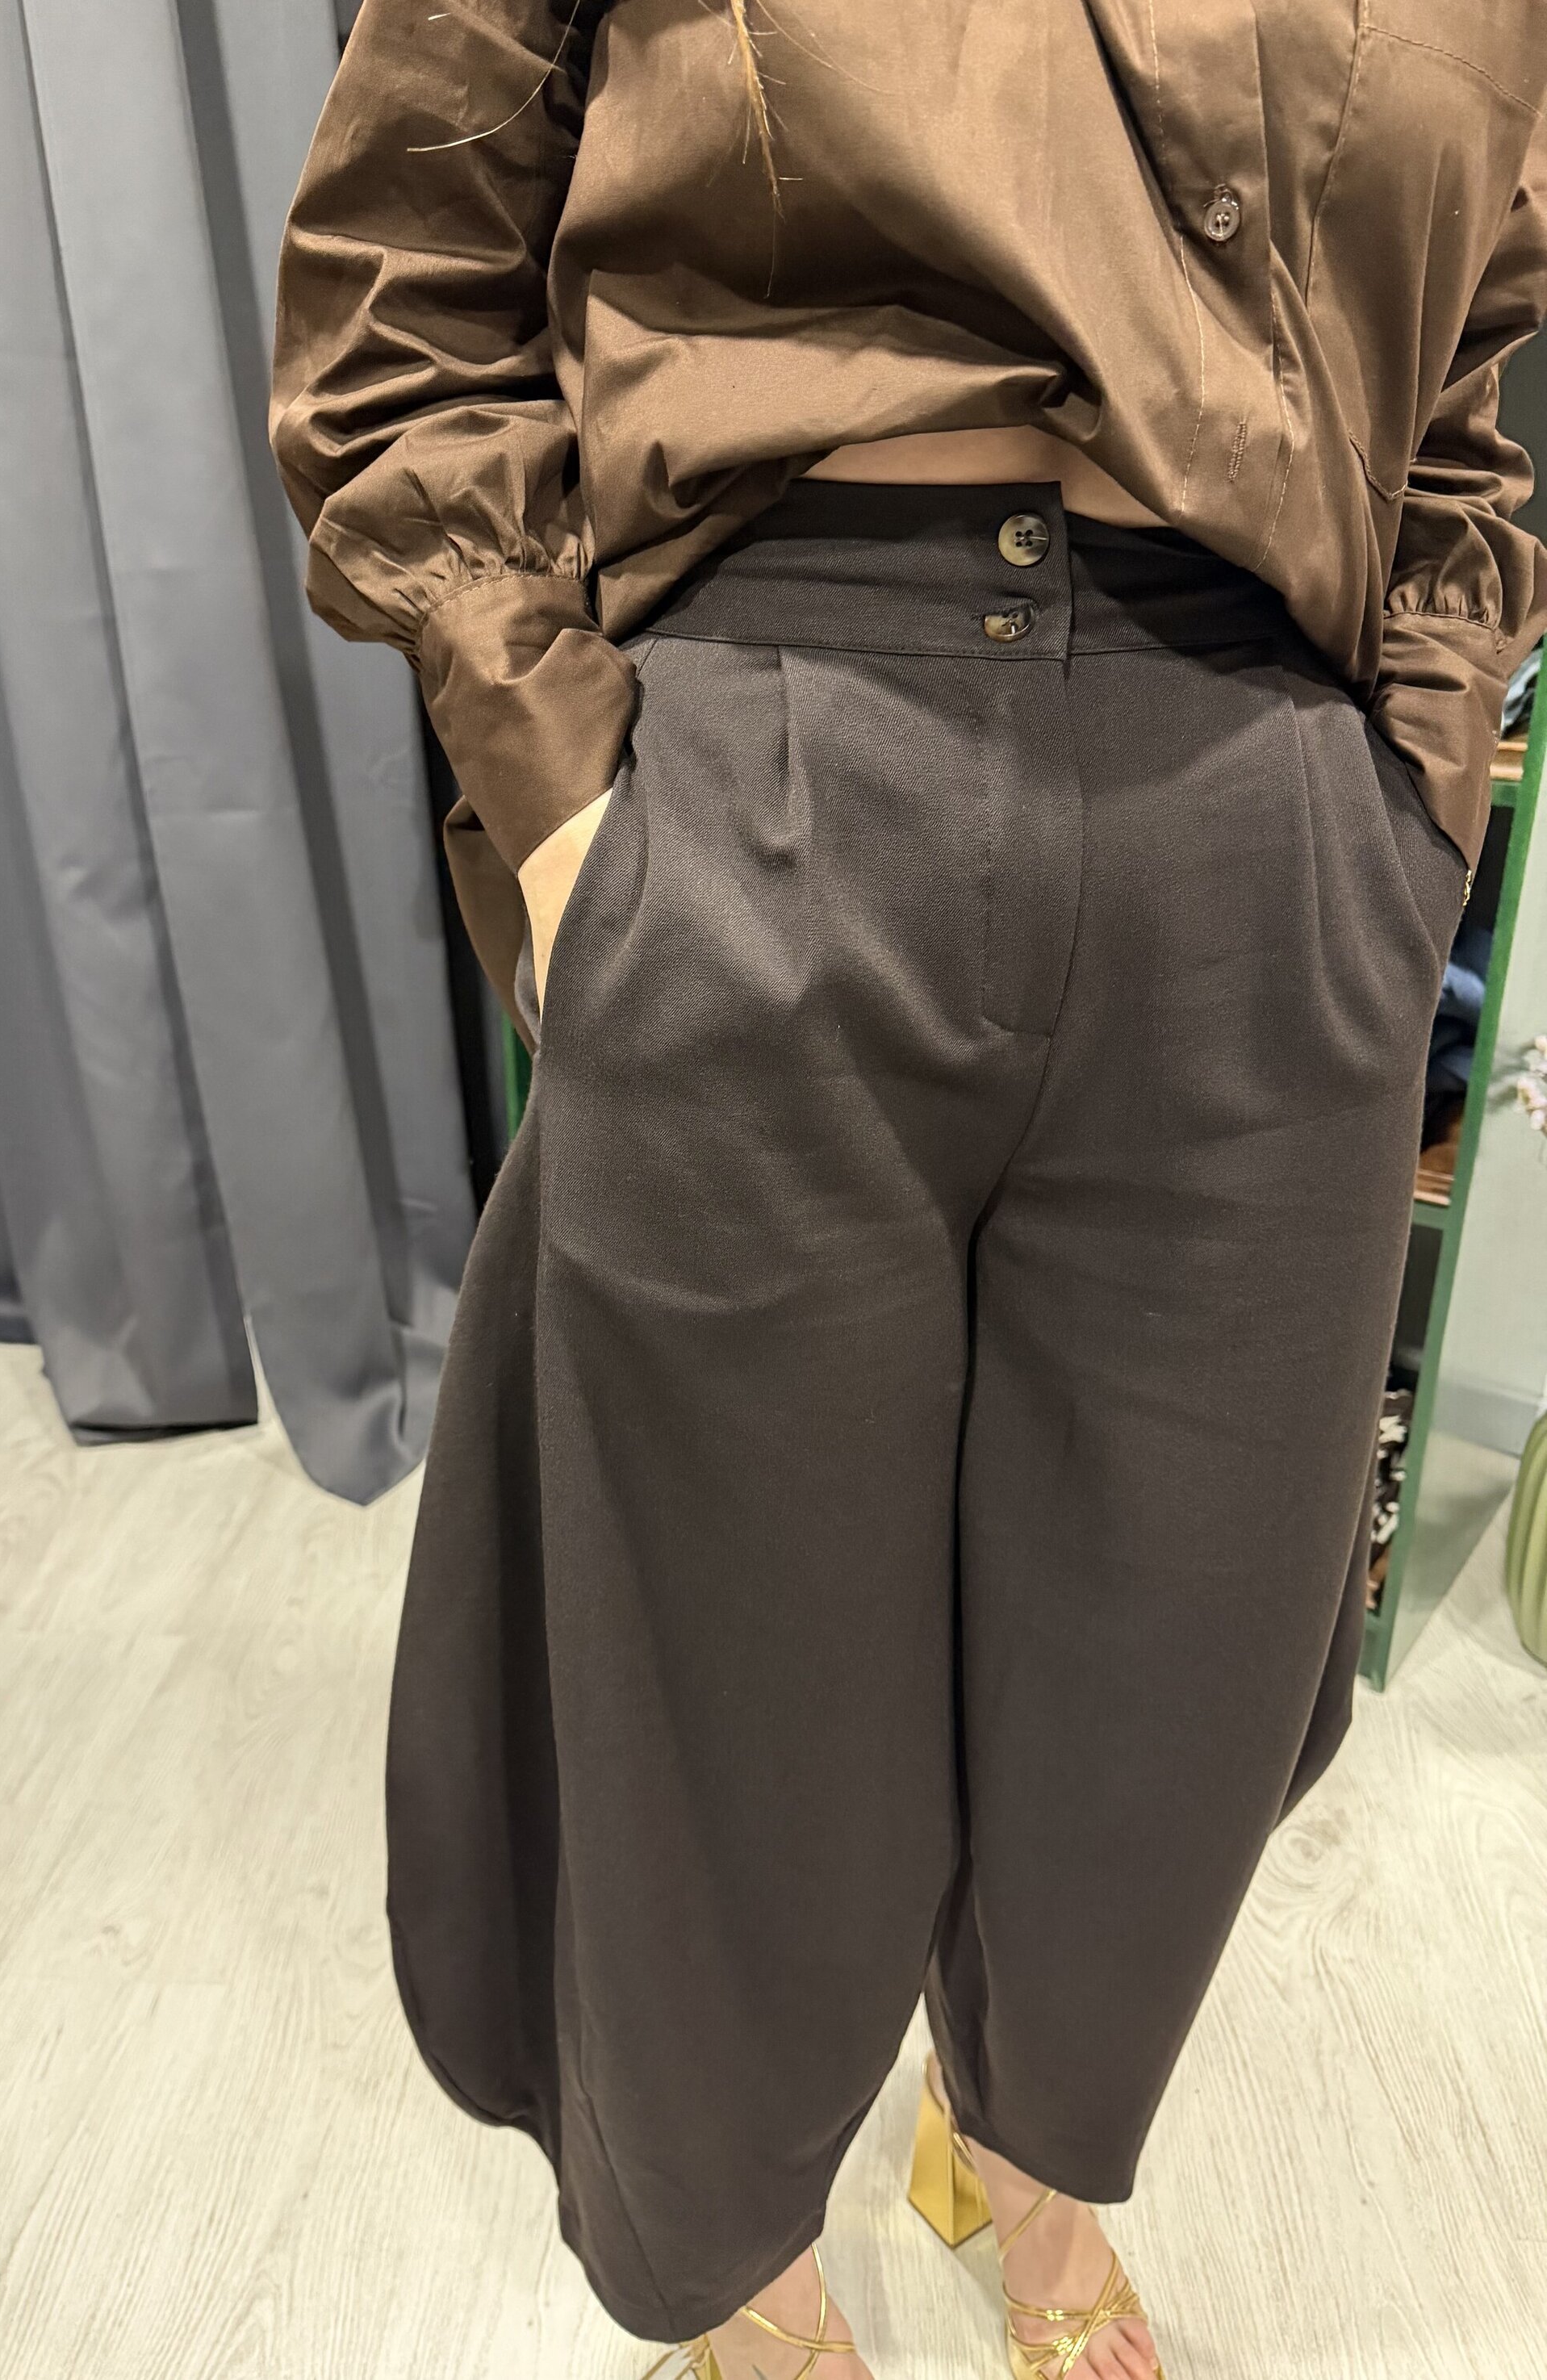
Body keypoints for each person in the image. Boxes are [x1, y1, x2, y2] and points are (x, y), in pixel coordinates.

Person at [270, 6, 1547, 2375]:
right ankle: (744, 2267)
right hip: (774, 769)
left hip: (1268, 833)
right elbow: (403, 277)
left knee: (1178, 1678)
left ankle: (1023, 2169)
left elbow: (1462, 366)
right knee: (728, 1691)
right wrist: (565, 810)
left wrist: (1414, 802)